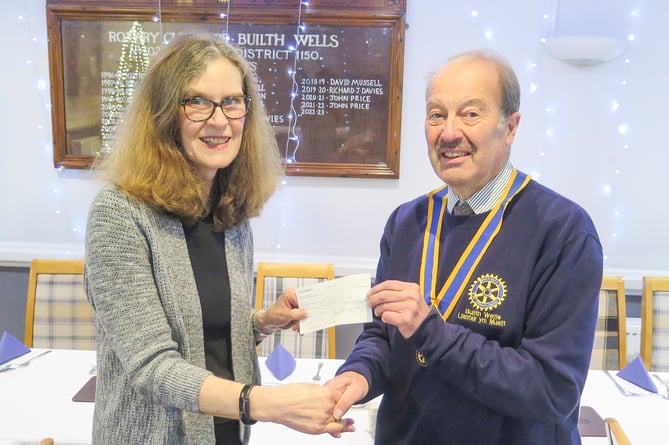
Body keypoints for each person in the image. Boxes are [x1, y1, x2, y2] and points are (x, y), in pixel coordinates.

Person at [84, 31, 353, 445]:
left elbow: (202, 334)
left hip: (225, 433)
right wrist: (268, 403)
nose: (219, 120)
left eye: (231, 101)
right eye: (197, 102)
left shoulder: (229, 210)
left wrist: (261, 323)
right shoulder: (119, 215)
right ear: (163, 114)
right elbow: (152, 366)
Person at [325, 49, 603, 444]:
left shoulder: (563, 232)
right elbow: (383, 336)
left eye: (470, 113)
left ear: (510, 126)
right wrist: (359, 374)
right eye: (436, 114)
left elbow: (550, 391)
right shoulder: (407, 221)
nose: (449, 132)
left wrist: (430, 331)